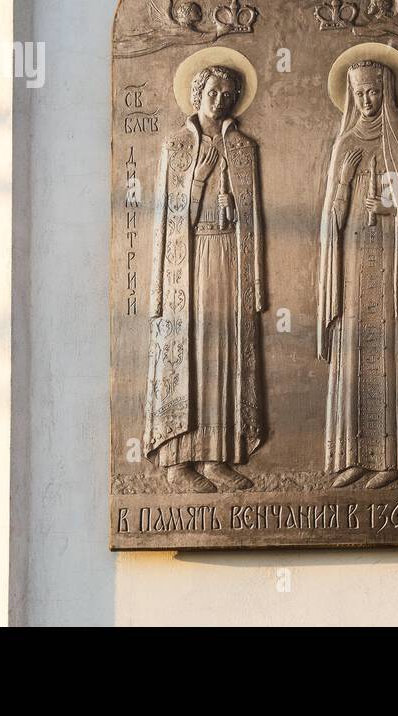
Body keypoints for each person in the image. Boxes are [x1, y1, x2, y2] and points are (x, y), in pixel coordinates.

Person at [145, 65, 265, 491]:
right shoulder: (177, 147)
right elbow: (167, 220)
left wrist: (254, 279)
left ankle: (217, 456)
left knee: (223, 352)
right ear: (197, 93)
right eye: (213, 91)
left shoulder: (243, 148)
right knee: (188, 351)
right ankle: (178, 459)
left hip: (228, 258)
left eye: (228, 94)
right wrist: (197, 180)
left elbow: (255, 222)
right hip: (189, 261)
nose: (220, 99)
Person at [315, 60, 398, 489]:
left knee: (390, 351)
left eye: (373, 92)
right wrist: (343, 187)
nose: (366, 100)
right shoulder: (344, 145)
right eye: (359, 93)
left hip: (391, 267)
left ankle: (394, 458)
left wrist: (391, 208)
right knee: (354, 354)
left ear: (387, 92)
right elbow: (331, 217)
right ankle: (354, 456)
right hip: (352, 265)